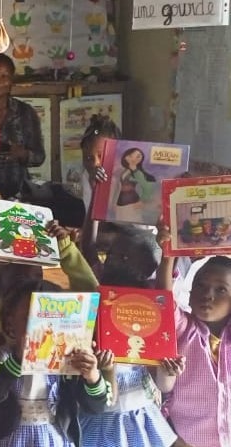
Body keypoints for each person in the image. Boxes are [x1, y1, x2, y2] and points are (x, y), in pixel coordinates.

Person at [0, 280, 110, 446]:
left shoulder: (71, 362)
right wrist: (18, 360)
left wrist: (92, 376)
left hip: (55, 438)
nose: (44, 328)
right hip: (10, 440)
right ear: (10, 323)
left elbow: (96, 407)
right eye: (31, 319)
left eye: (54, 321)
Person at [156, 227, 231, 447]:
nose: (208, 295)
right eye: (201, 286)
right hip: (185, 442)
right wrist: (167, 255)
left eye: (221, 290)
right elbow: (163, 300)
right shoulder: (182, 328)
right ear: (189, 292)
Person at [0, 53, 45, 199]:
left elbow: (39, 156)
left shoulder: (25, 113)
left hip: (20, 197)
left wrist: (21, 153)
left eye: (4, 76)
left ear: (12, 79)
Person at [112, 148, 156, 223]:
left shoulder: (137, 173)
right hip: (120, 205)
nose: (133, 158)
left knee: (132, 224)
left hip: (132, 205)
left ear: (140, 160)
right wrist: (114, 203)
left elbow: (147, 187)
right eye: (130, 155)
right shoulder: (124, 171)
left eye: (138, 156)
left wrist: (143, 201)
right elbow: (118, 187)